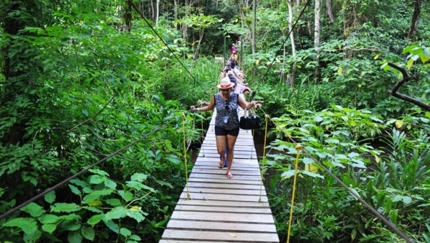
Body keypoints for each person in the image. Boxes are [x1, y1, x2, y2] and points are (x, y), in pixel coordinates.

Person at [190, 78, 263, 179]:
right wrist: (197, 109)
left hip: (233, 126)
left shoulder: (236, 97)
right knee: (220, 150)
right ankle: (223, 158)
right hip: (220, 125)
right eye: (223, 90)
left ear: (231, 89)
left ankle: (228, 170)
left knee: (230, 148)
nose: (225, 92)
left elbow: (245, 106)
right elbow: (209, 107)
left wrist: (252, 103)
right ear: (220, 89)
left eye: (227, 90)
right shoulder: (215, 97)